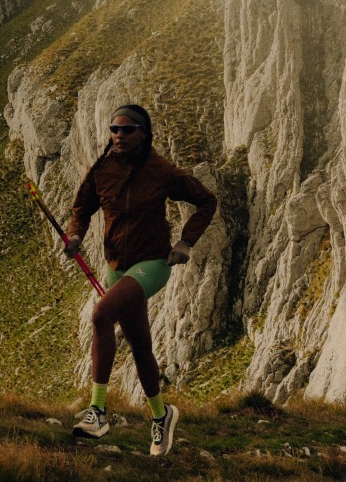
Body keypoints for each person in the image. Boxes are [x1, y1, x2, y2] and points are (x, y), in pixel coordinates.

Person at [63, 104, 217, 456]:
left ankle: (97, 411)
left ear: (144, 134)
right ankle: (162, 416)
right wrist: (75, 237)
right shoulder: (102, 169)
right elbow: (81, 209)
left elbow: (207, 202)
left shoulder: (161, 170)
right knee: (140, 346)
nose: (119, 135)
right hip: (116, 267)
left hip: (153, 263)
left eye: (128, 129)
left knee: (101, 315)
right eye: (114, 129)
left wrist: (185, 242)